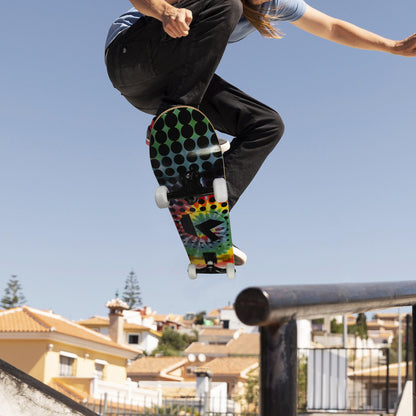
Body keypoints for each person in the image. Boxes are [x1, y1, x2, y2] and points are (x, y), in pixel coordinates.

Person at [105, 0, 416, 265]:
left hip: (161, 87)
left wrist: (394, 46)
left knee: (266, 125)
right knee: (227, 3)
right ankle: (174, 120)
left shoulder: (275, 4)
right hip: (129, 57)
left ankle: (205, 215)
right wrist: (165, 11)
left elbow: (331, 27)